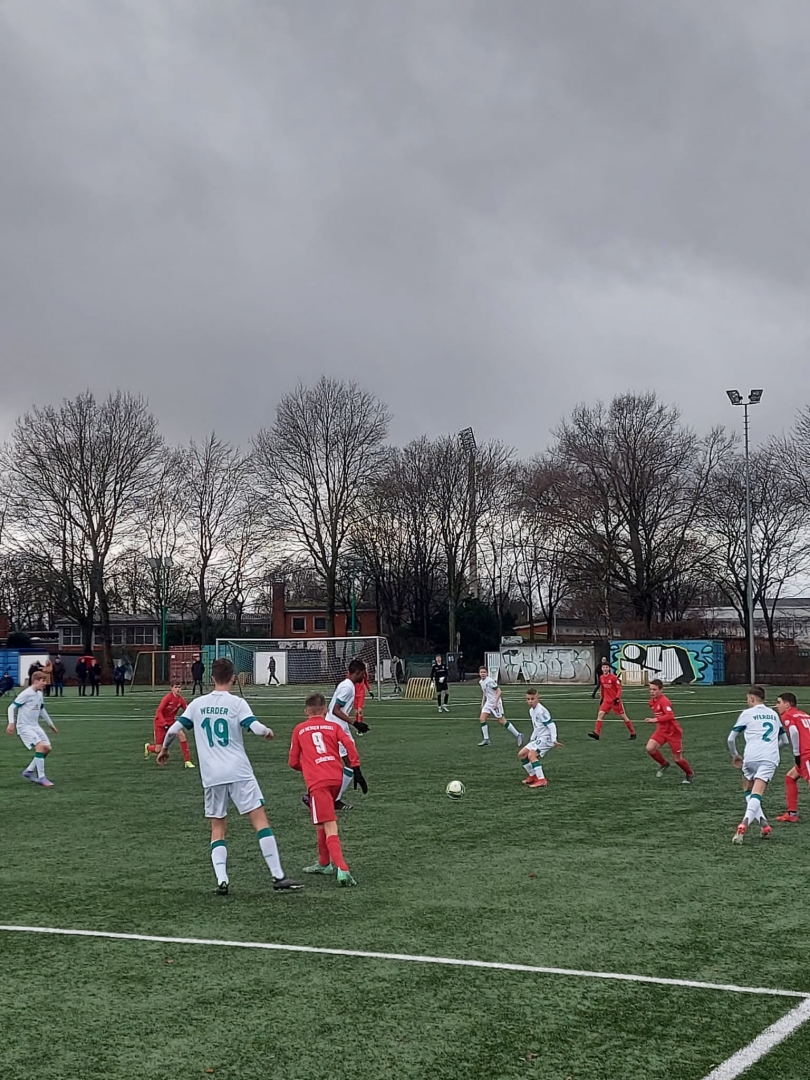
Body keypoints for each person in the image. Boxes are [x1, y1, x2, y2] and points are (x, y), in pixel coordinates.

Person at [157, 657, 301, 894]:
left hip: (212, 775)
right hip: (239, 771)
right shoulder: (237, 703)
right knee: (259, 821)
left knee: (218, 827)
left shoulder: (198, 704)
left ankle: (222, 880)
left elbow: (173, 729)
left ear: (212, 678)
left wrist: (164, 749)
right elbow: (256, 728)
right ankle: (278, 876)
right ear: (233, 678)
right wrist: (267, 731)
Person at [289, 693, 367, 886]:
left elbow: (292, 762)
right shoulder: (333, 726)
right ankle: (324, 863)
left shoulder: (299, 729)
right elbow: (349, 744)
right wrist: (356, 767)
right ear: (325, 710)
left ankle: (342, 868)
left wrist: (309, 767)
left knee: (329, 824)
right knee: (322, 821)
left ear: (306, 711)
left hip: (318, 781)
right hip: (336, 778)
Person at [728, 685, 786, 844]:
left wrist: (735, 755)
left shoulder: (747, 714)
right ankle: (745, 823)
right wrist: (772, 749)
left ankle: (763, 823)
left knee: (748, 790)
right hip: (769, 758)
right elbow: (784, 741)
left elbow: (731, 739)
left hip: (751, 756)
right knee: (757, 793)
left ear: (752, 698)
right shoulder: (773, 714)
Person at [6, 669, 58, 787]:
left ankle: (29, 771)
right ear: (35, 681)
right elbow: (11, 707)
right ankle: (41, 777)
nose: (45, 683)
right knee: (40, 747)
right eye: (43, 681)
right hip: (24, 727)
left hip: (35, 726)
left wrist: (51, 724)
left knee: (47, 748)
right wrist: (11, 723)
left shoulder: (39, 694)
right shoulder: (26, 693)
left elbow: (42, 710)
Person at [644, 679, 694, 784]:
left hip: (673, 732)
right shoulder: (651, 702)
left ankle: (689, 773)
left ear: (661, 690)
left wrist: (655, 720)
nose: (652, 692)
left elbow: (670, 716)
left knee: (677, 759)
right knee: (650, 748)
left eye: (654, 690)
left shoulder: (664, 701)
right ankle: (664, 764)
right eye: (650, 690)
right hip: (661, 731)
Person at [774, 693, 810, 823]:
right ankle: (791, 813)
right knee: (790, 777)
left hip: (806, 754)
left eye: (779, 702)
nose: (776, 706)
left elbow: (794, 732)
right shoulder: (804, 714)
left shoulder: (787, 715)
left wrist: (797, 753)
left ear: (787, 704)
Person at [519, 688, 561, 788]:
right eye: (528, 699)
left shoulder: (540, 711)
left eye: (532, 699)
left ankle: (542, 780)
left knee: (531, 755)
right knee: (522, 754)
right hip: (539, 738)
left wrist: (554, 739)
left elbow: (551, 725)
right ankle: (533, 776)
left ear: (538, 698)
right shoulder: (531, 711)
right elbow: (537, 727)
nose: (530, 701)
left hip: (546, 739)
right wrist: (532, 738)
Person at [145, 682, 195, 767]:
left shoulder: (180, 699)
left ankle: (187, 761)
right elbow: (159, 711)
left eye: (179, 687)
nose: (178, 689)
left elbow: (187, 710)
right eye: (176, 687)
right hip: (160, 724)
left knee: (182, 736)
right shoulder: (167, 698)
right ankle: (148, 747)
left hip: (171, 722)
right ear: (171, 688)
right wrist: (164, 723)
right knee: (158, 749)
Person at [588, 662, 636, 741]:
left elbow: (619, 688)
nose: (605, 669)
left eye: (606, 667)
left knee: (624, 717)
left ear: (609, 668)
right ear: (601, 668)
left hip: (615, 701)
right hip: (606, 701)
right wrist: (602, 698)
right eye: (604, 667)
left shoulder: (613, 677)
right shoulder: (601, 677)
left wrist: (617, 698)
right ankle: (597, 734)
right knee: (600, 715)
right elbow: (603, 689)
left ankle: (633, 733)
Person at [477, 666, 523, 747]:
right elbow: (485, 692)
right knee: (482, 719)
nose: (482, 674)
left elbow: (499, 691)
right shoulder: (481, 682)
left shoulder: (490, 681)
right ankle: (486, 739)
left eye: (484, 672)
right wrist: (483, 702)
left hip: (496, 703)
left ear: (487, 673)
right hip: (488, 703)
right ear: (479, 673)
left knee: (502, 721)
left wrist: (495, 702)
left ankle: (518, 735)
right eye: (481, 672)